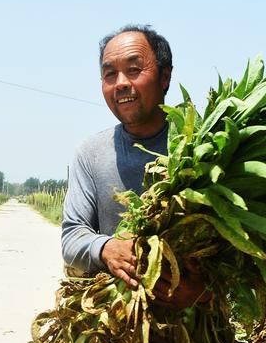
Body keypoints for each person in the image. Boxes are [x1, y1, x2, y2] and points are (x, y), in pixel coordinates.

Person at [61, 24, 210, 310]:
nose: (120, 83)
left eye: (133, 70)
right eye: (109, 74)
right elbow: (71, 238)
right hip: (118, 331)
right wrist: (105, 248)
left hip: (194, 336)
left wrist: (206, 291)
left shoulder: (203, 148)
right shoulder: (90, 154)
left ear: (165, 77)